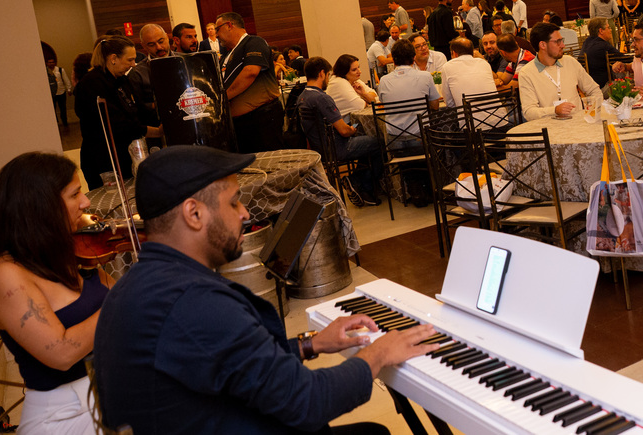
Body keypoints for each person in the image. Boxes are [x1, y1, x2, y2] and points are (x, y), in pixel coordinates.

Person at [94, 145, 437, 434]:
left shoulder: (136, 285)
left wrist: (310, 344)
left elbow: (234, 363)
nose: (245, 214)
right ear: (194, 214)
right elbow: (308, 402)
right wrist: (378, 354)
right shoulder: (194, 302)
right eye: (233, 202)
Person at [0, 153, 111, 435]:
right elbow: (61, 353)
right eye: (75, 194)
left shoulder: (65, 251)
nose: (86, 202)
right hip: (63, 417)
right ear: (40, 205)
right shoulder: (4, 275)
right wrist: (126, 298)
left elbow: (117, 297)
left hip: (111, 392)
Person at [74, 36, 161, 188]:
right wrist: (155, 132)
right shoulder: (92, 83)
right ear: (113, 58)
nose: (133, 64)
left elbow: (140, 109)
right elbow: (117, 124)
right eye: (130, 60)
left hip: (126, 155)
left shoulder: (122, 80)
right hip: (103, 159)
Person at [300, 57, 383, 205]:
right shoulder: (321, 98)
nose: (328, 79)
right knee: (379, 143)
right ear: (322, 73)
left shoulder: (303, 96)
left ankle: (357, 181)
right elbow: (344, 131)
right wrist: (352, 130)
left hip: (319, 148)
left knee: (367, 143)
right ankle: (363, 186)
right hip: (337, 147)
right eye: (328, 75)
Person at [216, 12, 283, 153]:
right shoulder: (227, 55)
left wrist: (222, 98)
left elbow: (250, 72)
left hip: (261, 119)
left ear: (229, 25)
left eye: (218, 29)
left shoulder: (254, 42)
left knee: (268, 162)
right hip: (240, 124)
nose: (216, 35)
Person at [518, 23, 602, 120]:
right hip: (549, 126)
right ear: (543, 45)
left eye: (562, 40)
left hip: (579, 124)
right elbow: (529, 112)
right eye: (557, 42)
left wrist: (592, 113)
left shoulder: (570, 62)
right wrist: (554, 110)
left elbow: (594, 90)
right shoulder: (526, 73)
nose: (563, 45)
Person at [378, 40, 441, 148]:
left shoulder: (384, 80)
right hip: (420, 137)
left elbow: (384, 104)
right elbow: (435, 106)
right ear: (414, 57)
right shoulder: (425, 76)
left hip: (394, 140)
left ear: (393, 60)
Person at [126, 23, 172, 122]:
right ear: (144, 46)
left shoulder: (184, 61)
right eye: (151, 45)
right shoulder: (137, 73)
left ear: (167, 37)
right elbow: (137, 107)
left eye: (161, 41)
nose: (159, 47)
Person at [439, 37, 499, 112]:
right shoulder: (484, 63)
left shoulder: (447, 66)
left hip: (469, 118)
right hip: (499, 116)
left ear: (454, 53)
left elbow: (449, 103)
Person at [581, 18, 621, 87]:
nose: (610, 30)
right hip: (603, 87)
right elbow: (624, 58)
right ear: (601, 31)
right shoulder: (602, 45)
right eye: (608, 27)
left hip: (588, 87)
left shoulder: (586, 42)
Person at [47, 56, 72, 126]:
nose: (51, 64)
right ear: (47, 63)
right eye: (49, 62)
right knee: (52, 110)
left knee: (63, 109)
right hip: (51, 94)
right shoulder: (45, 71)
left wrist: (69, 89)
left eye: (52, 62)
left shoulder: (60, 70)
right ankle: (55, 123)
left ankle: (65, 123)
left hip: (61, 93)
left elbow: (66, 80)